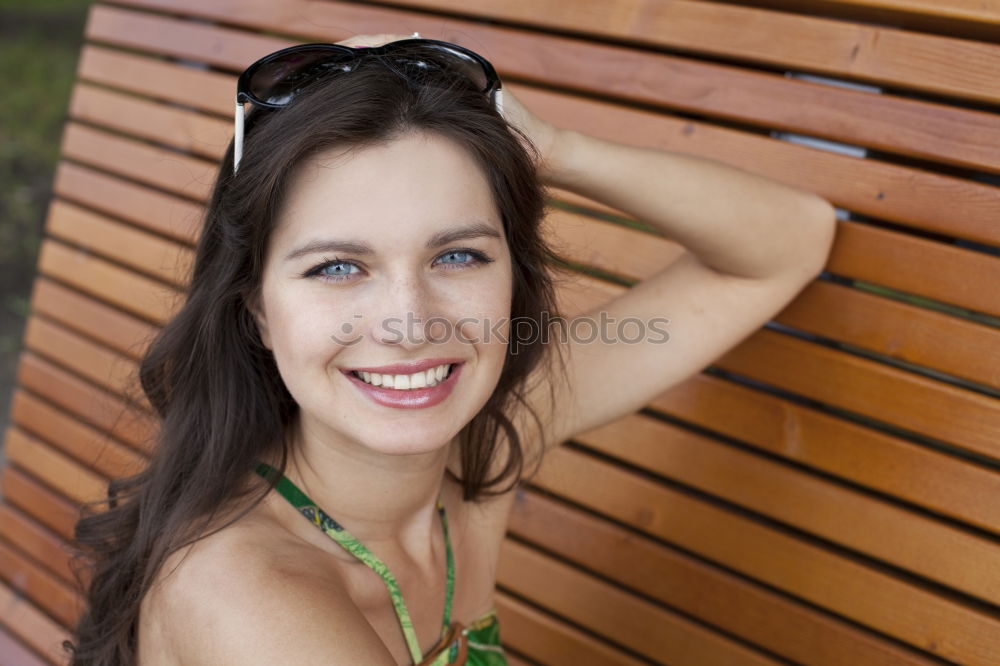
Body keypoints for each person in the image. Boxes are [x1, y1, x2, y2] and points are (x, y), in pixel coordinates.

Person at [61, 31, 836, 666]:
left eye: (458, 256)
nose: (412, 322)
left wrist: (554, 149)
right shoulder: (254, 605)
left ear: (515, 280)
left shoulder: (478, 447)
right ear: (257, 310)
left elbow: (785, 245)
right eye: (338, 267)